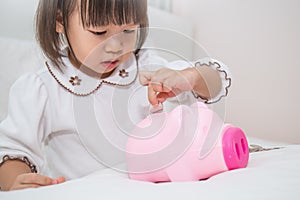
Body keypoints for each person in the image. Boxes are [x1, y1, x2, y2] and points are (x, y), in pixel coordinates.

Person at [0, 0, 231, 191]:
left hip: (148, 189)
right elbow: (12, 151)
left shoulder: (144, 66)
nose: (115, 46)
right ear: (60, 21)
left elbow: (216, 79)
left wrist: (191, 77)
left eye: (128, 30)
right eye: (99, 32)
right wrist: (15, 181)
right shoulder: (43, 88)